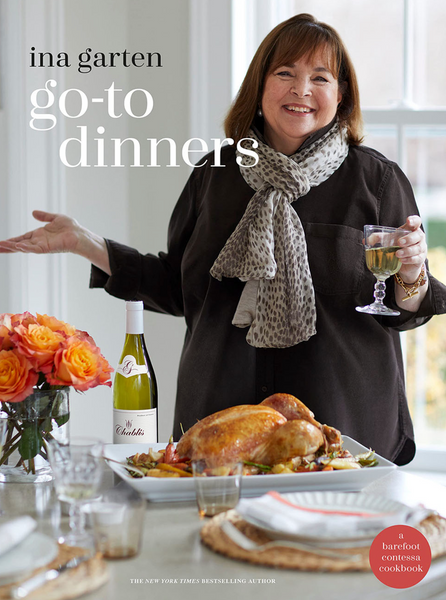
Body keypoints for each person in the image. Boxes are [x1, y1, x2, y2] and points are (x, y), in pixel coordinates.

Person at [1, 14, 445, 464]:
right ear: (260, 85)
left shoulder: (376, 181)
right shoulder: (215, 175)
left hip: (346, 431)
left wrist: (411, 276)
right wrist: (83, 241)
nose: (301, 89)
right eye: (285, 73)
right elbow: (178, 287)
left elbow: (402, 309)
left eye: (320, 77)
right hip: (219, 430)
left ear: (341, 93)